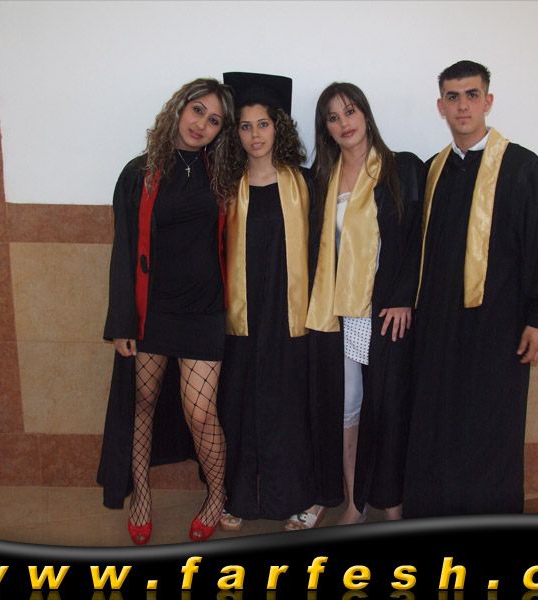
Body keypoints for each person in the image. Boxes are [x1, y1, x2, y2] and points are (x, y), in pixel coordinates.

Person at [403, 60, 538, 518]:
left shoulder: (523, 168)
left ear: (488, 101)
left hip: (498, 327)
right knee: (436, 419)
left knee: (491, 425)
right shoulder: (432, 171)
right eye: (453, 97)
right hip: (439, 326)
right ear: (441, 106)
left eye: (472, 95)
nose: (463, 106)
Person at [97, 77, 235, 544]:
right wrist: (122, 322)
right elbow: (123, 250)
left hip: (204, 312)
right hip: (150, 312)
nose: (202, 124)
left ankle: (217, 495)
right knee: (143, 404)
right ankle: (141, 496)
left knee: (201, 413)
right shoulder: (138, 172)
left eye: (214, 120)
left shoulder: (223, 173)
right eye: (197, 111)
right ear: (178, 108)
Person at [306, 82, 425, 525]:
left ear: (366, 114)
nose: (344, 123)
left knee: (389, 406)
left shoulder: (402, 168)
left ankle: (392, 502)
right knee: (348, 406)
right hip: (338, 311)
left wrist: (403, 297)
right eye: (333, 117)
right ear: (326, 128)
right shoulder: (322, 178)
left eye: (350, 111)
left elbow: (416, 239)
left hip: (386, 310)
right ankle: (355, 502)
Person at [213, 72, 321, 531]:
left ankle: (295, 496)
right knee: (237, 404)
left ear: (279, 126)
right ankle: (237, 497)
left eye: (263, 124)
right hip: (240, 317)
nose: (255, 135)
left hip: (289, 315)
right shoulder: (225, 186)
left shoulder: (306, 183)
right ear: (235, 133)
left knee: (289, 407)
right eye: (245, 126)